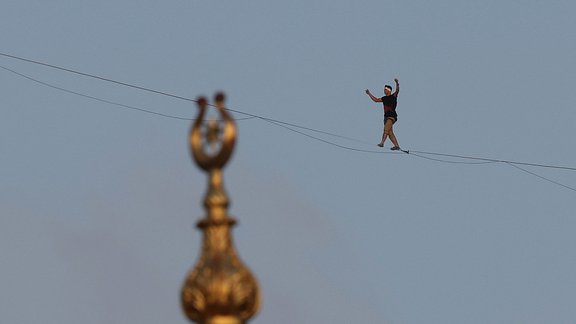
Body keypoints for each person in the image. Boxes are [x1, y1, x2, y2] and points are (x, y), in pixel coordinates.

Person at [365, 78, 401, 150]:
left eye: (385, 90)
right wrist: (369, 94)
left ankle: (382, 143)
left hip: (391, 116)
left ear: (389, 90)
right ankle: (396, 145)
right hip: (386, 117)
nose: (384, 91)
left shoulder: (393, 96)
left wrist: (397, 83)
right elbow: (376, 100)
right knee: (390, 133)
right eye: (384, 90)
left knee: (386, 129)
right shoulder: (384, 98)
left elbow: (397, 91)